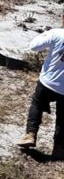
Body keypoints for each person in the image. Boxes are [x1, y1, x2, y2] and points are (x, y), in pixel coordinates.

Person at [17, 11, 64, 157]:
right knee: (63, 117)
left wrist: (46, 35)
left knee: (36, 105)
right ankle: (59, 148)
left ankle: (30, 134)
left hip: (48, 81)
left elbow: (34, 46)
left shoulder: (56, 34)